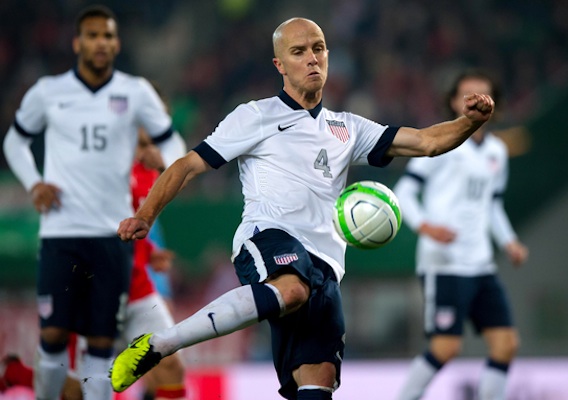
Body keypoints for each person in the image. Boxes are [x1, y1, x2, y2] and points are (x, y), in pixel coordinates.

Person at [110, 18, 494, 400]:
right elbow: (187, 166)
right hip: (269, 237)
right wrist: (145, 215)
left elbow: (426, 142)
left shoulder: (348, 128)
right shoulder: (255, 115)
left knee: (318, 382)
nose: (312, 58)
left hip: (325, 269)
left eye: (318, 48)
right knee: (292, 289)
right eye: (298, 52)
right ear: (280, 65)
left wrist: (469, 122)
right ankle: (159, 344)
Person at [2, 5, 185, 400]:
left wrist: (150, 252)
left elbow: (141, 215)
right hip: (78, 257)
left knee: (166, 359)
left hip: (131, 276)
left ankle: (21, 373)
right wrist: (35, 184)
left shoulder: (151, 168)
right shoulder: (97, 148)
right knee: (73, 374)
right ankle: (21, 374)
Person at [393, 69, 528, 400]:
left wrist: (509, 241)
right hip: (444, 263)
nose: (476, 100)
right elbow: (404, 192)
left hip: (480, 262)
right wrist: (426, 226)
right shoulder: (440, 143)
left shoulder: (496, 152)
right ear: (454, 102)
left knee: (506, 344)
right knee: (446, 347)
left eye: (484, 94)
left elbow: (492, 204)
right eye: (468, 94)